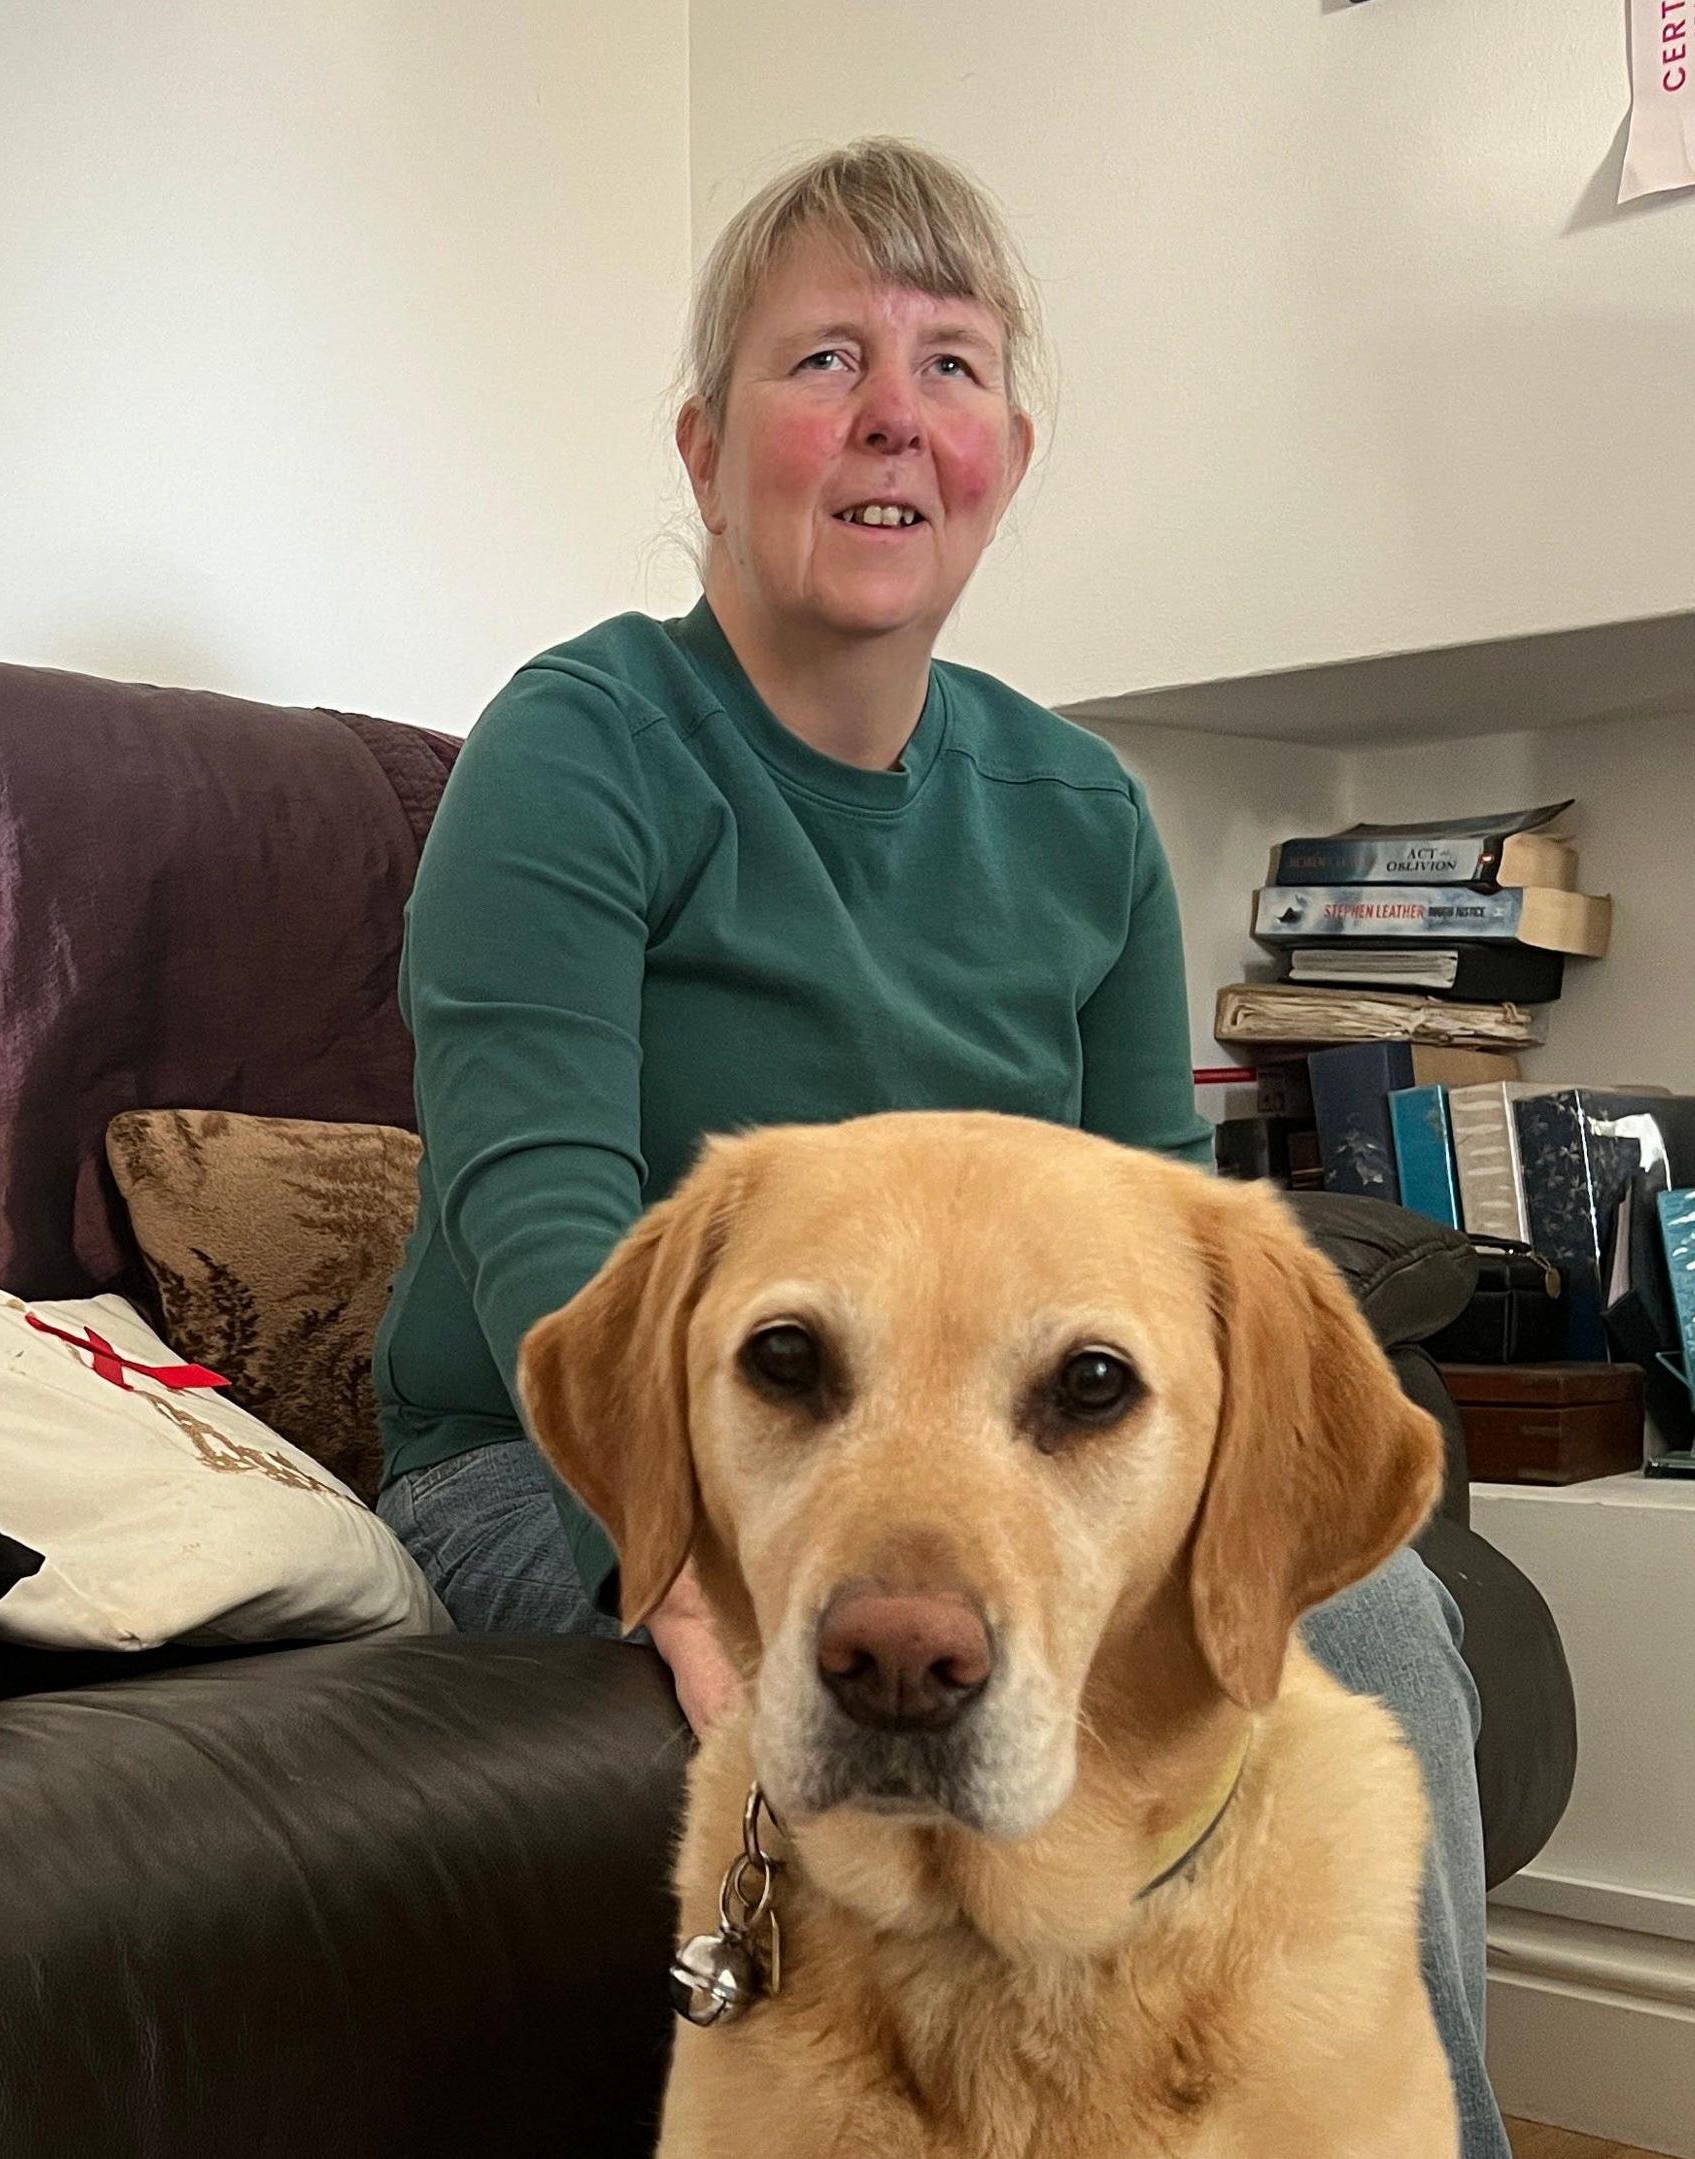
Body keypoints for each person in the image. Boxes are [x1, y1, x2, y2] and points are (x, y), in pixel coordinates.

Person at [367, 139, 1511, 2159]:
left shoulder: (1081, 808)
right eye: (827, 357)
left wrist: (1108, 1479)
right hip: (578, 1458)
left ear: (1006, 453)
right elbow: (536, 1206)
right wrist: (700, 1581)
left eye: (952, 364)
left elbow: (1174, 1243)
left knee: (1389, 1618)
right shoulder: (580, 744)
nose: (895, 410)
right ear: (711, 445)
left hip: (994, 1442)